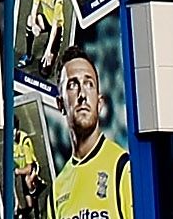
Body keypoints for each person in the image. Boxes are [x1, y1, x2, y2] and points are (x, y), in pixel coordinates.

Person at [51, 46, 135, 219]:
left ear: (100, 102)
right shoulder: (57, 189)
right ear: (60, 104)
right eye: (72, 85)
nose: (82, 94)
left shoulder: (122, 168)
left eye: (89, 84)